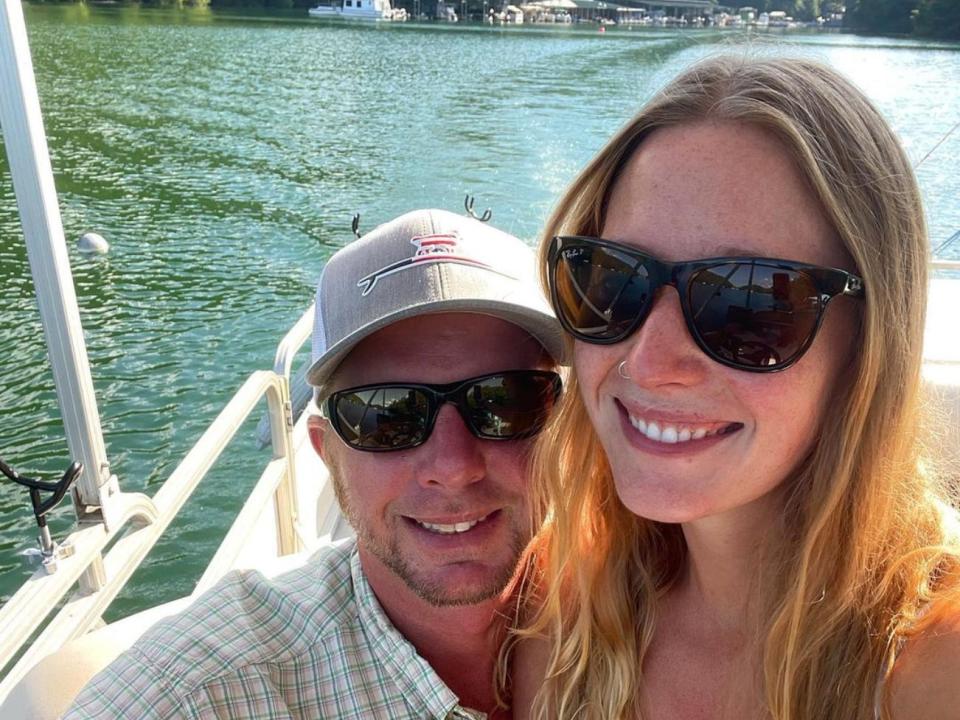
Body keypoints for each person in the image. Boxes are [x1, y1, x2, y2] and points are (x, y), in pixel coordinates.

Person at [510, 56, 960, 720]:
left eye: (749, 303)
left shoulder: (934, 668)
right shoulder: (565, 608)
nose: (652, 360)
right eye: (613, 280)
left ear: (868, 345)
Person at [65, 208, 565, 719]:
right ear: (328, 453)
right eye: (386, 415)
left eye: (506, 401)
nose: (454, 465)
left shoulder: (637, 609)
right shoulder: (203, 694)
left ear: (566, 428)